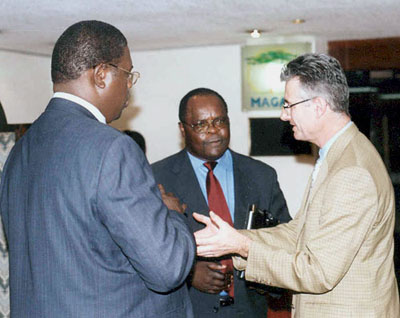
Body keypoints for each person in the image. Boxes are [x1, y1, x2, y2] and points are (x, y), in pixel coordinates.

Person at [0, 20, 195, 318]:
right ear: (102, 74)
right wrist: (171, 213)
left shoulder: (19, 152)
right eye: (128, 74)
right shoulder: (112, 148)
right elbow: (167, 268)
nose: (130, 86)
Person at [193, 53, 400, 317]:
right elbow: (298, 234)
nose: (283, 115)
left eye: (289, 105)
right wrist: (235, 238)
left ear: (318, 106)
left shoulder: (352, 172)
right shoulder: (337, 156)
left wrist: (243, 247)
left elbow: (318, 272)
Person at [152, 87, 291, 317]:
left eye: (220, 121)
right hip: (190, 309)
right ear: (182, 129)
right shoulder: (157, 178)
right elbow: (147, 249)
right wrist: (188, 273)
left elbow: (284, 241)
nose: (214, 131)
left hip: (249, 309)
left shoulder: (261, 176)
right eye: (201, 125)